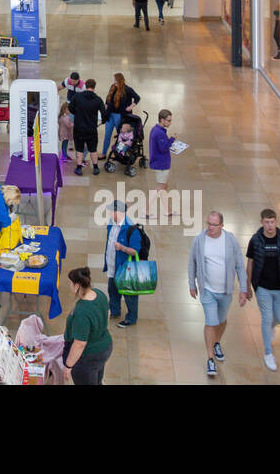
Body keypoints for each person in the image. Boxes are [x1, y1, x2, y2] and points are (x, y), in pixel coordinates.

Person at [187, 211, 249, 377]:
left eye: (214, 225)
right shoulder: (200, 240)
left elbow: (240, 266)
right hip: (207, 291)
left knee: (221, 321)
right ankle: (210, 359)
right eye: (208, 223)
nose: (210, 227)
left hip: (226, 291)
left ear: (222, 225)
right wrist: (192, 285)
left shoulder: (230, 240)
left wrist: (244, 289)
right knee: (211, 322)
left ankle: (216, 343)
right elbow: (192, 262)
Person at [246, 208, 280, 371]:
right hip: (262, 288)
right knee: (266, 318)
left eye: (272, 222)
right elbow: (251, 263)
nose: (270, 226)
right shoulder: (255, 240)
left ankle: (270, 329)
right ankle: (268, 353)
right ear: (262, 222)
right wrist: (247, 286)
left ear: (276, 222)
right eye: (267, 222)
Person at [61, 267, 113, 384]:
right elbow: (108, 313)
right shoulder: (99, 294)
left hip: (88, 357)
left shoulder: (82, 311)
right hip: (105, 347)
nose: (69, 286)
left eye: (70, 283)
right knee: (97, 380)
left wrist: (68, 366)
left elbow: (80, 344)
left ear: (77, 285)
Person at [103, 200, 143, 328]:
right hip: (113, 266)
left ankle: (131, 318)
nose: (110, 213)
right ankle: (114, 311)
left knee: (129, 294)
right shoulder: (112, 224)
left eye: (112, 211)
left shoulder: (132, 230)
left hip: (126, 269)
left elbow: (135, 251)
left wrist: (122, 248)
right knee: (112, 289)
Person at [68, 78, 107, 176]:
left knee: (80, 149)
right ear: (94, 87)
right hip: (91, 129)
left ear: (85, 86)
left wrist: (77, 113)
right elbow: (104, 113)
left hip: (79, 128)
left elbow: (70, 108)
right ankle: (95, 168)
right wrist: (103, 121)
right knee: (93, 149)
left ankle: (79, 168)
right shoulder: (98, 99)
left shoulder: (77, 96)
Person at [101, 72, 140, 160]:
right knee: (107, 135)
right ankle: (103, 153)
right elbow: (108, 99)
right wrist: (105, 106)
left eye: (115, 80)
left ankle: (120, 153)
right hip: (110, 115)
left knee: (121, 136)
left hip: (120, 117)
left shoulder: (127, 89)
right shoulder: (113, 87)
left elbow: (137, 97)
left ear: (120, 81)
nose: (114, 82)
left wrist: (131, 106)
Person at [147, 109, 177, 220]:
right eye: (168, 121)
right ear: (162, 120)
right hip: (161, 164)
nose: (170, 123)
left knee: (164, 186)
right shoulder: (159, 133)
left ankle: (168, 210)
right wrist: (172, 139)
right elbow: (164, 148)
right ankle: (146, 210)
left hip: (160, 162)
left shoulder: (156, 130)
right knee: (161, 187)